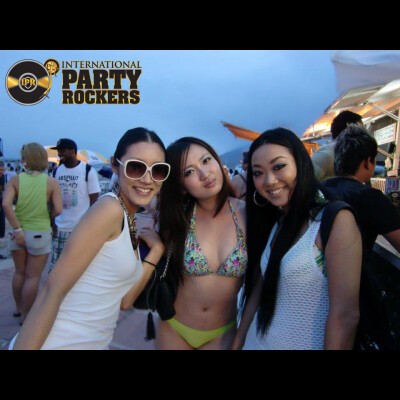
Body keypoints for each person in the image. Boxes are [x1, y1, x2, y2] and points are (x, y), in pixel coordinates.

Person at [10, 128, 169, 349]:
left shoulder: (127, 217)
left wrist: (157, 251)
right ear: (115, 166)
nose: (147, 179)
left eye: (158, 170)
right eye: (135, 167)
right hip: (61, 341)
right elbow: (51, 291)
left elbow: (125, 301)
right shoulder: (110, 209)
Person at [233, 127, 362, 350]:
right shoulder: (277, 221)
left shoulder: (334, 220)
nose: (269, 181)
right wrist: (237, 342)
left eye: (278, 166)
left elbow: (345, 316)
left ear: (300, 164)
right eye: (258, 172)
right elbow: (260, 284)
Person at [156, 137, 247, 350]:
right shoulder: (177, 220)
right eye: (189, 172)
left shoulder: (248, 215)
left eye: (206, 160)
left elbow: (259, 283)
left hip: (223, 333)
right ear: (181, 186)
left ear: (217, 160)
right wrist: (156, 247)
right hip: (174, 328)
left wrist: (242, 333)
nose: (204, 174)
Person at [2, 143, 62, 324]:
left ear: (25, 159)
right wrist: (49, 216)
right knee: (33, 276)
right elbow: (59, 209)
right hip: (40, 233)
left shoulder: (15, 180)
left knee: (19, 273)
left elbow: (6, 205)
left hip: (18, 233)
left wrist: (17, 228)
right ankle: (26, 315)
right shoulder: (51, 182)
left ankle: (19, 308)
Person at [49, 138, 100, 272]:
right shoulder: (56, 171)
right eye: (58, 151)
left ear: (73, 151)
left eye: (63, 150)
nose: (59, 154)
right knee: (56, 266)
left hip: (79, 228)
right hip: (59, 227)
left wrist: (88, 225)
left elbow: (94, 200)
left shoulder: (87, 171)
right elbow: (53, 198)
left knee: (77, 266)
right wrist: (52, 221)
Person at [312, 110, 362, 181]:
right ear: (350, 130)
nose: (364, 135)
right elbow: (304, 182)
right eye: (361, 131)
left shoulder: (348, 155)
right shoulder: (328, 154)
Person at [0, 161, 7, 259]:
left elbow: (3, 191)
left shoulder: (2, 178)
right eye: (0, 170)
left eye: (3, 170)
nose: (2, 172)